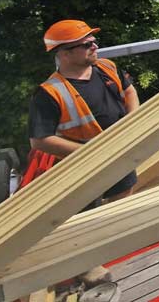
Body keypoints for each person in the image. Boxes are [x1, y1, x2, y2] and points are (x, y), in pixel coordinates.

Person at [28, 19, 140, 202]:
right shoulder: (50, 93)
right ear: (65, 54)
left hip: (118, 155)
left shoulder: (106, 67)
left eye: (95, 42)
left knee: (122, 202)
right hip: (82, 169)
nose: (95, 47)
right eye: (87, 45)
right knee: (90, 217)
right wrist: (91, 155)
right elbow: (41, 140)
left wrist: (133, 120)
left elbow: (129, 91)